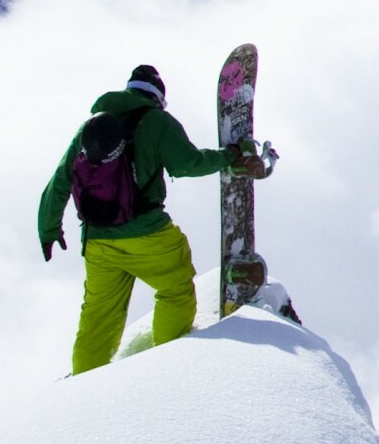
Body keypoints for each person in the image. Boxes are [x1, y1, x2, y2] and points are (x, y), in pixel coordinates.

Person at [37, 62, 272, 375]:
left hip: (98, 241)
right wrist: (231, 156)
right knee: (175, 290)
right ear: (158, 97)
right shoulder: (158, 121)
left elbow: (60, 180)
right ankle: (168, 366)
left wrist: (49, 228)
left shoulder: (91, 126)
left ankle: (84, 382)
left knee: (97, 317)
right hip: (148, 234)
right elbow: (189, 164)